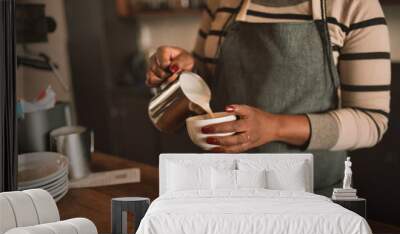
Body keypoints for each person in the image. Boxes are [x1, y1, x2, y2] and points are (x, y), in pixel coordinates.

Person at [146, 0, 391, 197]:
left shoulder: (354, 6)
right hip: (224, 192)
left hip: (312, 200)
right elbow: (209, 84)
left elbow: (371, 121)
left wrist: (275, 127)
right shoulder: (220, 3)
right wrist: (185, 68)